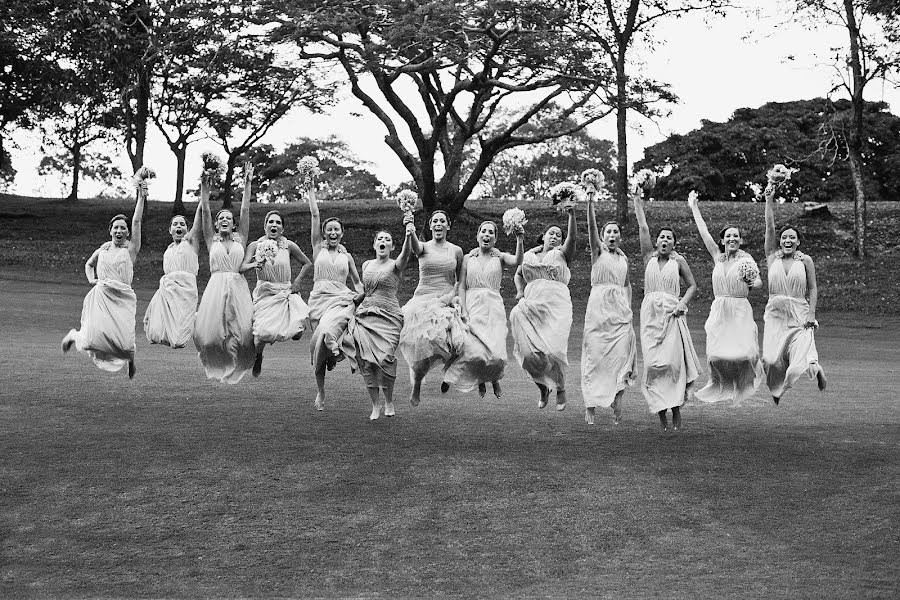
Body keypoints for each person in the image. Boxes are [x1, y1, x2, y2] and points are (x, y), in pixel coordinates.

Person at [633, 190, 702, 431]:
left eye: (668, 238)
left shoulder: (679, 261)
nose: (664, 240)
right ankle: (660, 409)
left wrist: (682, 303)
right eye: (661, 237)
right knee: (654, 366)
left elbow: (693, 285)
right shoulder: (647, 258)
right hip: (650, 314)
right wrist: (637, 200)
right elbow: (643, 227)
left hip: (673, 315)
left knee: (673, 364)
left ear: (674, 243)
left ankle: (676, 408)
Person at [62, 180, 146, 378]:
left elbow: (137, 221)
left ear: (127, 232)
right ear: (110, 230)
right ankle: (74, 335)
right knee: (93, 338)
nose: (119, 231)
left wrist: (141, 196)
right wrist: (92, 280)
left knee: (124, 341)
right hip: (102, 295)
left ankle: (130, 360)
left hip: (123, 297)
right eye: (115, 228)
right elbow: (88, 265)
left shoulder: (131, 250)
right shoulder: (102, 250)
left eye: (123, 228)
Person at [688, 192, 763, 405]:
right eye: (728, 236)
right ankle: (717, 383)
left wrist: (752, 283)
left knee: (743, 353)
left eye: (736, 236)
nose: (732, 239)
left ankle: (746, 381)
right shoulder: (717, 256)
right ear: (722, 240)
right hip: (719, 307)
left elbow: (758, 282)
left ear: (740, 240)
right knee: (715, 354)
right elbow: (703, 232)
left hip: (739, 307)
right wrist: (694, 207)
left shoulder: (746, 259)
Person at [442, 220, 524, 397]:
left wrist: (519, 239)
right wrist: (463, 309)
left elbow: (518, 260)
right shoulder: (467, 258)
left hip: (493, 307)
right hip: (473, 304)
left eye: (491, 233)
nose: (486, 235)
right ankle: (474, 379)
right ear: (478, 235)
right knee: (474, 350)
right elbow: (462, 286)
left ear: (495, 238)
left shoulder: (499, 257)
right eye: (483, 231)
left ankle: (494, 380)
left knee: (496, 353)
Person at [192, 164, 256, 384]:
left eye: (229, 217)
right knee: (209, 333)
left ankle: (241, 362)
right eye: (222, 219)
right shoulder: (212, 240)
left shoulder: (241, 240)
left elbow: (245, 210)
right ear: (217, 225)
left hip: (238, 285)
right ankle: (218, 363)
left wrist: (247, 183)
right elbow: (206, 211)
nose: (225, 220)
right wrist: (204, 187)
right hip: (217, 285)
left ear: (233, 223)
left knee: (243, 331)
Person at [762, 186, 827, 403]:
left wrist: (811, 314)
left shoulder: (805, 260)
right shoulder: (772, 257)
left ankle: (811, 368)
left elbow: (813, 288)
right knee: (771, 359)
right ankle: (777, 384)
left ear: (798, 241)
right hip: (775, 312)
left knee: (801, 350)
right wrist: (769, 200)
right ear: (779, 241)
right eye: (784, 237)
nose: (787, 240)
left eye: (792, 237)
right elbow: (769, 228)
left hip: (799, 311)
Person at [509, 203, 577, 410]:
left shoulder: (562, 255)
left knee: (553, 350)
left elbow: (572, 239)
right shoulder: (528, 255)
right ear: (543, 236)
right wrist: (520, 291)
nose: (555, 236)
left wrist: (571, 215)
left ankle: (560, 386)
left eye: (558, 234)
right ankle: (541, 387)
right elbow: (518, 274)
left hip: (556, 306)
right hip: (531, 306)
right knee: (530, 354)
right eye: (551, 233)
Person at [342, 226, 413, 420]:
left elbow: (406, 255)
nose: (383, 241)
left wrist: (408, 235)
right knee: (366, 362)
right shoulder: (366, 265)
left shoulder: (395, 264)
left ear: (391, 246)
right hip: (366, 315)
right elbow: (367, 290)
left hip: (389, 317)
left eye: (387, 239)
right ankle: (375, 405)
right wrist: (356, 299)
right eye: (380, 239)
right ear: (375, 244)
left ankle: (388, 400)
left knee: (385, 358)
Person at [398, 210, 466, 406]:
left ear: (448, 225)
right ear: (430, 226)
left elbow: (460, 280)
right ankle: (417, 383)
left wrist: (459, 300)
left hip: (446, 298)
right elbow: (414, 247)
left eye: (442, 221)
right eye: (434, 221)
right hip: (422, 300)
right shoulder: (423, 247)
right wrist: (409, 229)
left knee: (456, 343)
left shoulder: (456, 251)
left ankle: (448, 372)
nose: (438, 224)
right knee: (421, 344)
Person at [306, 182, 363, 411]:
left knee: (328, 331)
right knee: (318, 345)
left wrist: (362, 297)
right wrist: (311, 189)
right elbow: (314, 214)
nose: (332, 232)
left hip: (340, 300)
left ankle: (336, 347)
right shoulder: (317, 247)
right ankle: (321, 391)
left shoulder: (347, 257)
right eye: (329, 229)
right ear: (323, 233)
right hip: (318, 301)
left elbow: (358, 283)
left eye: (336, 229)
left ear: (342, 233)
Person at [581, 191, 636, 425]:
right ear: (603, 237)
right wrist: (591, 203)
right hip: (598, 309)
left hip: (620, 312)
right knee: (594, 357)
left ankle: (617, 397)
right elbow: (591, 230)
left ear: (620, 237)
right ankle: (590, 405)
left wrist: (629, 306)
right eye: (608, 232)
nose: (612, 235)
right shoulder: (597, 253)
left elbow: (627, 284)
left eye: (616, 232)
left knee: (623, 355)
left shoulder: (624, 259)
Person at [241, 210, 312, 377]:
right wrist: (254, 264)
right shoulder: (255, 245)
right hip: (265, 293)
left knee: (297, 333)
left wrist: (298, 282)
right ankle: (258, 356)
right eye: (271, 222)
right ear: (265, 226)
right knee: (263, 334)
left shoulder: (289, 245)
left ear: (282, 229)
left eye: (278, 223)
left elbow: (307, 263)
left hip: (286, 291)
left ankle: (295, 324)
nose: (274, 225)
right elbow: (242, 267)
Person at [143, 204, 203, 349]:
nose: (179, 226)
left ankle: (199, 318)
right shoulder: (168, 250)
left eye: (182, 224)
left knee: (178, 341)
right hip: (167, 290)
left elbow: (198, 222)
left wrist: (202, 199)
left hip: (186, 290)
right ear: (170, 230)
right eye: (175, 224)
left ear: (187, 230)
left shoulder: (190, 243)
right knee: (154, 333)